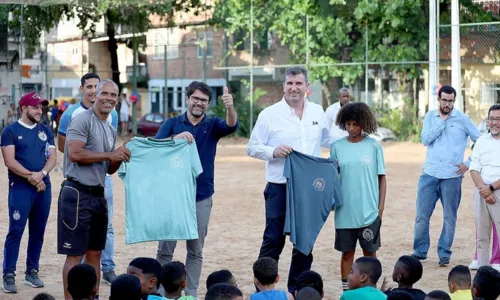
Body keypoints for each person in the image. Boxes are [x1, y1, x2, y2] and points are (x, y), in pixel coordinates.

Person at [246, 66, 333, 294]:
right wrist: (273, 152)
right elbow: (252, 147)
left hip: (309, 189)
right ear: (284, 86)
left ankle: (298, 291)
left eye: (299, 83)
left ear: (307, 87)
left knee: (304, 243)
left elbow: (328, 141)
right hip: (279, 187)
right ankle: (263, 291)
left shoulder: (317, 112)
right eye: (290, 83)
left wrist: (355, 139)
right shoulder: (269, 114)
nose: (294, 88)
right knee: (273, 240)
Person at [156, 81, 238, 297]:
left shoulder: (212, 125)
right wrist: (175, 138)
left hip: (201, 196)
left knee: (195, 251)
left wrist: (230, 107)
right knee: (165, 250)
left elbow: (231, 126)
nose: (199, 103)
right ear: (188, 99)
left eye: (203, 100)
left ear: (208, 103)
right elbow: (155, 149)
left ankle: (189, 293)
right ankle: (163, 293)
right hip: (173, 196)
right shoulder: (172, 124)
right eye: (196, 98)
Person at [58, 79, 130, 300]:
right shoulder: (81, 120)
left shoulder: (109, 127)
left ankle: (93, 297)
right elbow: (75, 154)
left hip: (98, 196)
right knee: (74, 254)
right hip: (77, 193)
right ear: (95, 95)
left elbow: (108, 169)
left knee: (95, 254)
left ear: (117, 100)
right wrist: (110, 154)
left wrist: (122, 155)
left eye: (113, 95)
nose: (108, 98)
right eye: (104, 93)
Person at [413, 85, 481, 267]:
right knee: (421, 216)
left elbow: (480, 142)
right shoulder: (430, 117)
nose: (447, 104)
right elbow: (425, 139)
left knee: (449, 217)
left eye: (450, 101)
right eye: (444, 100)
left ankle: (444, 254)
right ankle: (420, 252)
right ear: (439, 99)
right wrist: (441, 123)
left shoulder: (463, 119)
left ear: (454, 101)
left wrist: (468, 164)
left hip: (452, 176)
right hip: (429, 174)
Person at [1, 92, 56, 293]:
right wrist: (31, 177)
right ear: (24, 108)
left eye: (41, 107)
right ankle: (8, 274)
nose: (39, 110)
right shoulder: (10, 131)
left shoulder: (46, 131)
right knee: (16, 231)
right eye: (35, 107)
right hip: (21, 188)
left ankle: (32, 271)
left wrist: (41, 175)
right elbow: (9, 161)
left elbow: (52, 158)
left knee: (38, 231)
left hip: (43, 186)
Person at [330, 102, 386, 291]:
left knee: (370, 253)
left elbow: (381, 179)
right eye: (348, 124)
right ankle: (347, 291)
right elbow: (332, 179)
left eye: (355, 124)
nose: (352, 128)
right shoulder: (336, 147)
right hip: (344, 211)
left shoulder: (374, 146)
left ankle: (371, 291)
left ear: (364, 123)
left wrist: (379, 210)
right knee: (347, 253)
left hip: (368, 212)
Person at [469, 104, 500, 269]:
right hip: (481, 192)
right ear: (487, 121)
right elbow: (474, 168)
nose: (494, 122)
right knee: (482, 234)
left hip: (498, 191)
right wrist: (484, 190)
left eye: (498, 119)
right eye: (492, 119)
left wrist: (492, 188)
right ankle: (483, 270)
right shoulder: (481, 141)